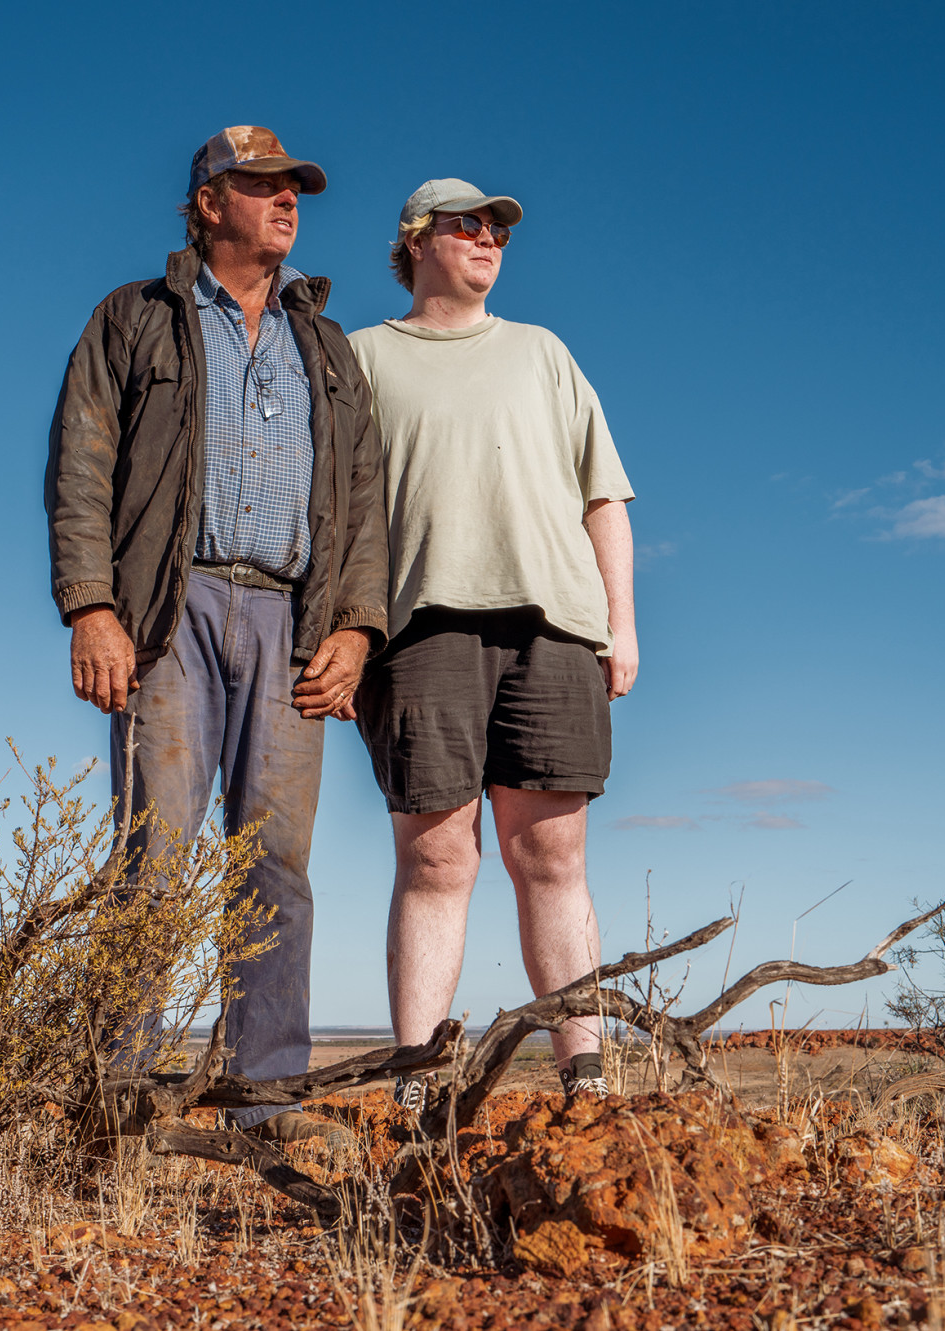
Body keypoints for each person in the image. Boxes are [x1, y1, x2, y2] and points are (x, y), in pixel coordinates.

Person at [45, 126, 387, 1144]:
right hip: (169, 609)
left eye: (293, 189)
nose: (285, 202)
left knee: (275, 863)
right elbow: (80, 461)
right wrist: (91, 604)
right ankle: (114, 1100)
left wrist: (358, 628)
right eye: (260, 186)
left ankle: (262, 1096)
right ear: (206, 202)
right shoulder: (135, 317)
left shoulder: (323, 343)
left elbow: (364, 497)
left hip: (290, 619)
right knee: (154, 853)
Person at [346, 179, 638, 1107]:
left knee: (550, 855)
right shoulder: (360, 358)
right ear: (416, 241)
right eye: (467, 225)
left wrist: (621, 625)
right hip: (418, 627)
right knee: (437, 858)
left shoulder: (542, 352)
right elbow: (334, 515)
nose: (489, 240)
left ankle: (582, 1075)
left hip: (553, 625)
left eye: (498, 229)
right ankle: (416, 1083)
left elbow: (604, 497)